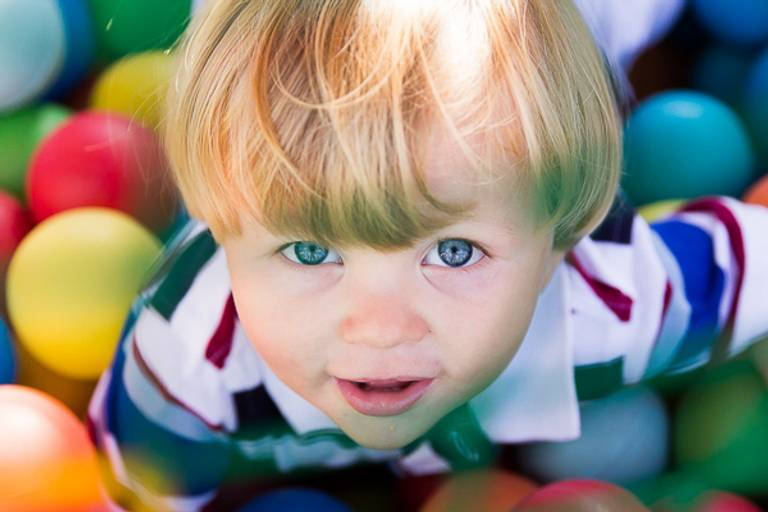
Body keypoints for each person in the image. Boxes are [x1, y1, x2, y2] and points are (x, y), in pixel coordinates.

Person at [86, 1, 768, 510]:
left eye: (453, 251)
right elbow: (138, 490)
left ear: (565, 231)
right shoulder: (183, 366)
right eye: (307, 249)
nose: (379, 328)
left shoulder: (612, 306)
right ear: (216, 219)